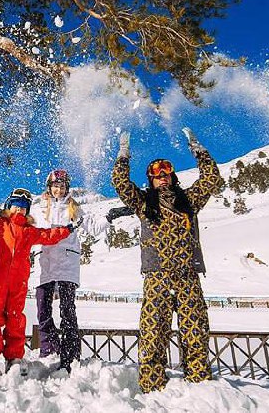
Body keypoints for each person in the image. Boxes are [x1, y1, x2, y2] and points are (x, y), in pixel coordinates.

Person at [110, 127, 223, 393]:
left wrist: (197, 148)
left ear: (172, 175)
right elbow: (120, 183)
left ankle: (199, 384)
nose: (161, 176)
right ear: (149, 180)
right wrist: (123, 154)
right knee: (152, 332)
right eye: (155, 174)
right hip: (156, 277)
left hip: (187, 276)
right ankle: (152, 386)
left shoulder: (189, 201)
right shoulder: (143, 203)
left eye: (166, 172)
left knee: (195, 331)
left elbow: (211, 177)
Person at [0, 188, 74, 376]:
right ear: (8, 207)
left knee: (15, 319)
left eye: (23, 207)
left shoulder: (29, 231)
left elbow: (48, 236)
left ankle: (14, 358)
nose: (19, 210)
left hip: (18, 285)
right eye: (16, 206)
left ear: (27, 211)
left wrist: (66, 230)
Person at [30, 169, 107, 372]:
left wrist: (109, 217)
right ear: (49, 187)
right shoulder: (38, 208)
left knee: (67, 310)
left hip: (67, 264)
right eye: (56, 185)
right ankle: (49, 349)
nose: (59, 189)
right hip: (44, 264)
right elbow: (24, 227)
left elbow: (93, 227)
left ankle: (71, 353)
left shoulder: (74, 208)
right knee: (43, 309)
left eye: (63, 186)